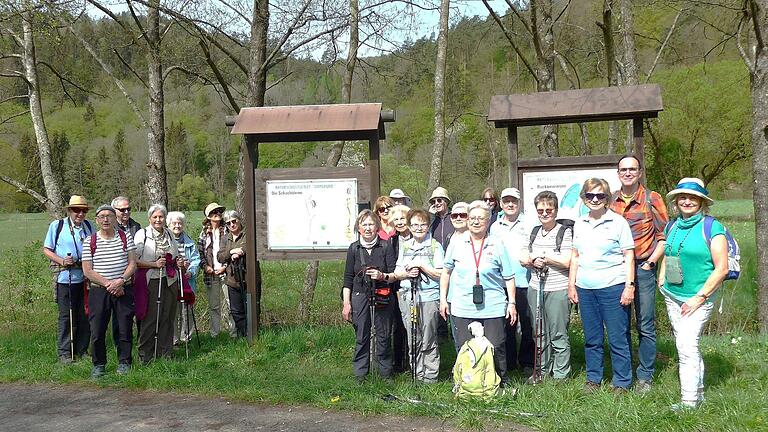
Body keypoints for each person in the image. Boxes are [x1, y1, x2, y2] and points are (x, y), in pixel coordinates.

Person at [658, 178, 728, 411]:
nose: (687, 201)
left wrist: (700, 297)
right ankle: (697, 393)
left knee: (686, 347)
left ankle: (688, 404)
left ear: (702, 202)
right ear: (676, 201)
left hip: (698, 297)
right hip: (672, 294)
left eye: (693, 197)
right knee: (686, 344)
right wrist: (661, 279)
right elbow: (668, 253)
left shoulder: (712, 227)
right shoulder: (673, 225)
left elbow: (722, 268)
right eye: (683, 197)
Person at [439, 201, 519, 386]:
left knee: (497, 345)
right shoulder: (456, 243)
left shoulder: (497, 244)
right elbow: (446, 272)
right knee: (464, 348)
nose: (476, 222)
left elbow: (508, 276)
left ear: (489, 220)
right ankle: (466, 384)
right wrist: (443, 299)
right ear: (467, 220)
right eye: (472, 218)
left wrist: (512, 303)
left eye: (480, 218)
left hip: (493, 304)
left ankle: (500, 383)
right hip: (462, 305)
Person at [568, 178, 635, 393]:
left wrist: (629, 285)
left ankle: (622, 382)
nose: (595, 199)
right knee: (592, 338)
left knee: (618, 337)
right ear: (584, 199)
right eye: (590, 195)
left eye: (600, 195)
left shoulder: (618, 222)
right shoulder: (579, 223)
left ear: (607, 198)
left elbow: (629, 256)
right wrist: (572, 285)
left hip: (613, 286)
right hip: (585, 289)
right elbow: (575, 256)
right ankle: (593, 379)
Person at [609, 155, 668, 393]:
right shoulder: (610, 200)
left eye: (632, 169)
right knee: (620, 324)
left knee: (644, 324)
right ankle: (623, 373)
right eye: (624, 169)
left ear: (640, 172)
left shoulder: (652, 199)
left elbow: (664, 237)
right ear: (618, 173)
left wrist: (651, 263)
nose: (628, 173)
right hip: (617, 270)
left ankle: (645, 375)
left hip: (643, 268)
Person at [519, 191, 572, 382]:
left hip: (558, 288)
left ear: (556, 210)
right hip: (535, 287)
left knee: (558, 332)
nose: (544, 213)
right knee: (538, 332)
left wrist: (545, 258)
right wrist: (533, 259)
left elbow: (567, 261)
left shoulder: (564, 232)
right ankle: (541, 371)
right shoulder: (533, 231)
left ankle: (560, 375)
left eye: (548, 209)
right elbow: (523, 256)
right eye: (540, 210)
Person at [341, 210, 397, 383]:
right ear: (359, 227)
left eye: (371, 224)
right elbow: (348, 278)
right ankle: (360, 374)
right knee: (361, 335)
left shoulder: (386, 246)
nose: (367, 228)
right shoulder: (353, 248)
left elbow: (394, 271)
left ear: (377, 227)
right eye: (364, 224)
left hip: (383, 293)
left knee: (384, 334)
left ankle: (385, 373)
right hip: (359, 294)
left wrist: (381, 276)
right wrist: (346, 303)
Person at [82, 205, 137, 378]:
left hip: (123, 289)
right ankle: (99, 364)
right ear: (97, 220)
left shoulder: (125, 236)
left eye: (109, 216)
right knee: (97, 330)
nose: (106, 219)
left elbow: (133, 264)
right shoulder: (90, 241)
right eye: (102, 216)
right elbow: (87, 271)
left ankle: (125, 362)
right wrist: (109, 284)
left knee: (124, 327)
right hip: (99, 291)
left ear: (115, 219)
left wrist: (120, 281)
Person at [393, 209, 445, 383]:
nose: (418, 228)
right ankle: (417, 373)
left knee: (428, 337)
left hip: (429, 298)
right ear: (409, 226)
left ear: (428, 225)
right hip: (409, 297)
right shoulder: (406, 246)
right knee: (412, 338)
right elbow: (397, 272)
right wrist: (407, 272)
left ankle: (430, 376)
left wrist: (422, 266)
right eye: (414, 224)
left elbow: (441, 274)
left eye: (422, 224)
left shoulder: (435, 246)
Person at [43, 195, 94, 363]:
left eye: (84, 210)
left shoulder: (89, 226)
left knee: (84, 315)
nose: (80, 214)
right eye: (76, 210)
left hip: (85, 279)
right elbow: (47, 249)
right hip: (65, 278)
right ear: (69, 211)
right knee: (66, 316)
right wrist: (62, 261)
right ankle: (65, 352)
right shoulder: (57, 226)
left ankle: (81, 350)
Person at [490, 187, 534, 376]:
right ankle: (508, 362)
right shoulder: (494, 226)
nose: (510, 204)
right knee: (506, 324)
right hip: (501, 283)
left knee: (527, 323)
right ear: (501, 204)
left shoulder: (530, 222)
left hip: (524, 280)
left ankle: (526, 361)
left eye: (513, 201)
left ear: (519, 203)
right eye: (506, 201)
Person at [134, 204, 182, 363]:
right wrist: (154, 264)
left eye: (161, 217)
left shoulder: (169, 233)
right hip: (150, 280)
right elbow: (134, 261)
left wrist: (180, 262)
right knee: (150, 318)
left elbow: (174, 256)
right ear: (149, 219)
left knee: (168, 316)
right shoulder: (143, 234)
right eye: (155, 217)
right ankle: (145, 354)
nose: (158, 220)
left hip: (170, 279)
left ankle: (165, 352)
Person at [110, 195, 141, 365]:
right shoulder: (110, 227)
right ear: (115, 211)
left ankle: (134, 343)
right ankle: (118, 346)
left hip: (135, 277)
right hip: (115, 278)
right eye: (122, 209)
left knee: (132, 312)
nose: (126, 212)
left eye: (128, 209)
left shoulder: (136, 226)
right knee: (118, 315)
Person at [198, 202, 234, 337]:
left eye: (219, 212)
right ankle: (215, 333)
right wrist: (205, 267)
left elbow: (231, 250)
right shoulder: (203, 233)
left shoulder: (227, 230)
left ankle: (233, 332)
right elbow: (200, 253)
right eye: (215, 212)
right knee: (214, 306)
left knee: (230, 303)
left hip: (227, 272)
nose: (218, 214)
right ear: (209, 216)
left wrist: (225, 267)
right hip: (211, 274)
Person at [167, 211, 201, 345]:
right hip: (170, 280)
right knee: (172, 310)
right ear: (169, 224)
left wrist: (190, 271)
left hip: (187, 280)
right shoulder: (166, 241)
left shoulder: (190, 242)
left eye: (180, 223)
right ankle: (173, 339)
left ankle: (186, 337)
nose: (177, 226)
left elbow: (196, 260)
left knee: (187, 309)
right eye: (174, 223)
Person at [217, 210, 248, 337]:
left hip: (248, 277)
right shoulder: (225, 238)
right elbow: (220, 256)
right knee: (236, 310)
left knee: (251, 308)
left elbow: (249, 247)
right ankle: (244, 334)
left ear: (239, 220)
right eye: (228, 223)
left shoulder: (248, 234)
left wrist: (241, 250)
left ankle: (254, 334)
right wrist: (231, 252)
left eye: (234, 221)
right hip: (232, 279)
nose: (232, 225)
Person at [388, 204, 411, 373]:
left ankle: (413, 362)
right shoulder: (392, 240)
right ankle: (398, 362)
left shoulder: (418, 237)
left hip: (415, 286)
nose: (399, 222)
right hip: (396, 287)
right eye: (396, 220)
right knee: (398, 325)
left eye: (402, 218)